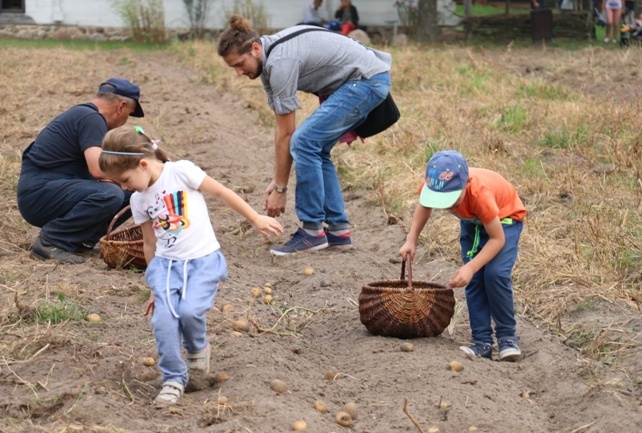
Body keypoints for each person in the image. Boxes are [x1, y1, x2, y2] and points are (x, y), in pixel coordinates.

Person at [98, 126, 283, 406]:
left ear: (143, 164)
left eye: (124, 180)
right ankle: (173, 378)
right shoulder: (138, 200)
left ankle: (197, 350)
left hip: (202, 261)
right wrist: (154, 286)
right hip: (166, 267)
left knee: (190, 311)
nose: (124, 188)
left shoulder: (181, 172)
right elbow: (149, 243)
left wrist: (255, 218)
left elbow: (221, 193)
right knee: (163, 320)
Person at [217, 15, 392, 256]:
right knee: (314, 148)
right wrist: (277, 181)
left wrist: (281, 189)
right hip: (361, 80)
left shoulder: (280, 62)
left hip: (365, 81)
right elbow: (282, 131)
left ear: (255, 48)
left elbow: (288, 133)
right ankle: (339, 231)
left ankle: (312, 231)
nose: (238, 72)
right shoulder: (270, 61)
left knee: (304, 141)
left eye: (239, 64)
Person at [399, 150, 527, 362]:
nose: (447, 205)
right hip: (473, 223)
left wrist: (470, 267)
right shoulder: (435, 182)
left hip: (505, 222)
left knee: (495, 275)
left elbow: (498, 239)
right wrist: (411, 239)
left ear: (466, 184)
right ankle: (482, 342)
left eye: (452, 200)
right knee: (475, 280)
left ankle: (507, 338)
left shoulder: (480, 193)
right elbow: (424, 206)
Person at [17, 78, 144, 264]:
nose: (125, 121)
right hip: (39, 193)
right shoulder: (91, 118)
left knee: (133, 193)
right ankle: (51, 241)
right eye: (129, 114)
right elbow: (98, 170)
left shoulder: (86, 116)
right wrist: (130, 178)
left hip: (50, 191)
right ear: (121, 107)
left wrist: (132, 182)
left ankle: (80, 241)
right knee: (111, 193)